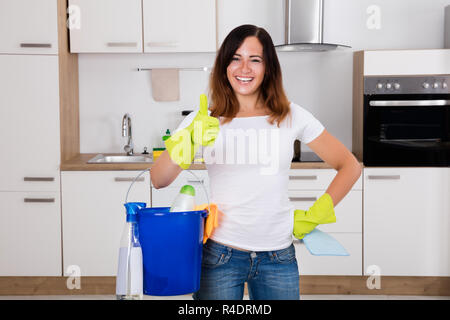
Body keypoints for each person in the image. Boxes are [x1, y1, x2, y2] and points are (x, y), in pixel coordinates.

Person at [150, 24, 362, 300]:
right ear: (224, 65)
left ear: (268, 68)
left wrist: (316, 214)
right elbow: (158, 178)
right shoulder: (202, 119)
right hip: (218, 255)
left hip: (278, 256)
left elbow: (350, 165)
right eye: (235, 58)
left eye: (255, 60)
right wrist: (189, 140)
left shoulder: (291, 115)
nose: (244, 68)